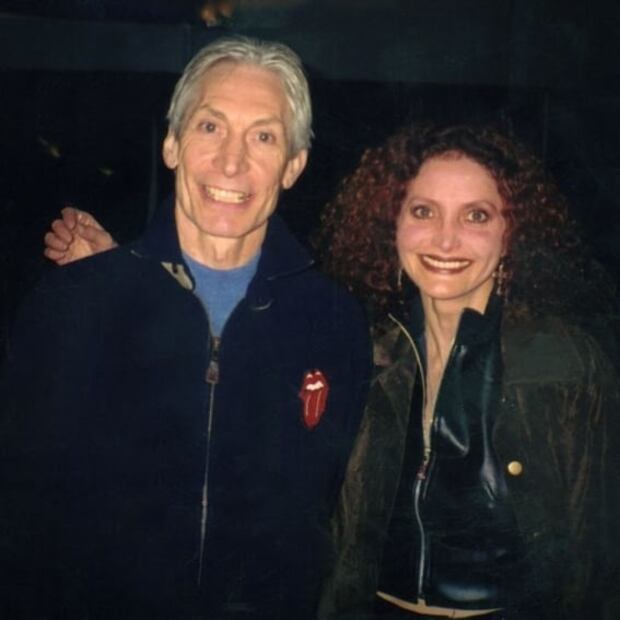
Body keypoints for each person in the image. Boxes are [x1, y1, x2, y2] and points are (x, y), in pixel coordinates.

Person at [0, 36, 370, 620]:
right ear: (172, 144)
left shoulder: (335, 323)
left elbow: (334, 522)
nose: (231, 162)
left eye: (264, 137)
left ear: (294, 166)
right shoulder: (70, 305)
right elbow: (19, 516)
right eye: (210, 127)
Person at [314, 122, 620, 619]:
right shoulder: (359, 356)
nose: (445, 238)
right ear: (392, 225)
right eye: (423, 211)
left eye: (476, 215)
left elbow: (601, 559)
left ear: (511, 233)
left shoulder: (566, 366)